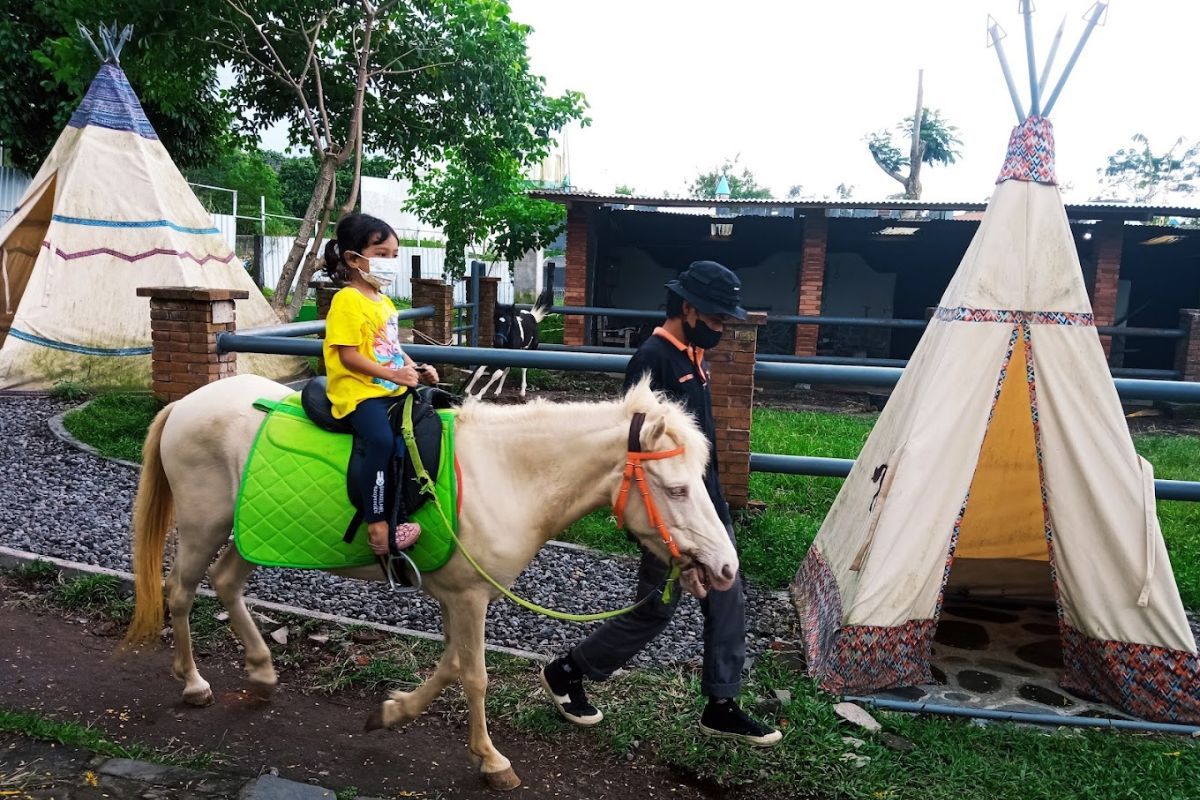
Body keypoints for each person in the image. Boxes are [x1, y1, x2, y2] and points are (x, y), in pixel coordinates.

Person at [540, 260, 782, 746]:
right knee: (656, 607)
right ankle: (568, 671)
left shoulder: (693, 353)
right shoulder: (652, 360)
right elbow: (638, 453)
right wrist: (676, 544)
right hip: (671, 513)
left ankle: (721, 704)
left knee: (727, 595)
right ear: (688, 309)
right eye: (715, 319)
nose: (720, 329)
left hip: (704, 505)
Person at [321, 213, 440, 557]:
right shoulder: (348, 300)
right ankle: (378, 527)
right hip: (358, 391)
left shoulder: (384, 302)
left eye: (393, 256)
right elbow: (347, 356)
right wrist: (392, 376)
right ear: (353, 258)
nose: (389, 263)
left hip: (386, 386)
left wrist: (414, 368)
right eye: (381, 254)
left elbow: (391, 349)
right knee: (380, 439)